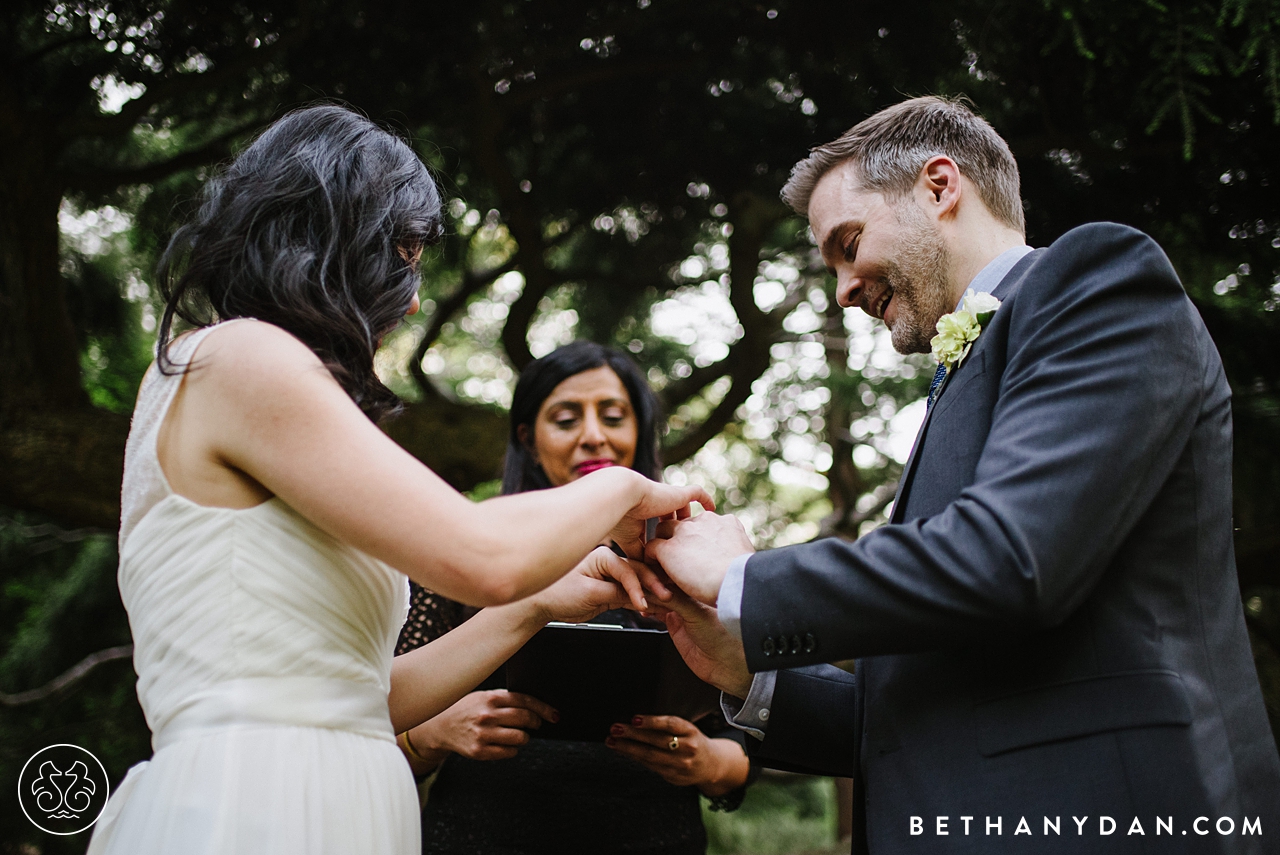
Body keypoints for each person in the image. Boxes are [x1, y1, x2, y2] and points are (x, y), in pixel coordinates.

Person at [645, 96, 1280, 854]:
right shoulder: (958, 382)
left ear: (940, 186)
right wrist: (751, 672)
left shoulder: (1098, 279)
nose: (843, 288)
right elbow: (928, 711)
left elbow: (1012, 559)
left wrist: (745, 578)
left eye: (848, 243)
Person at [86, 105, 710, 855]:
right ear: (332, 237)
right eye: (402, 254)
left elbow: (365, 696)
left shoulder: (258, 380)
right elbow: (481, 554)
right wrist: (625, 488)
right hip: (258, 803)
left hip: (341, 798)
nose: (412, 298)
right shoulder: (236, 357)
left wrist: (538, 605)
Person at [395, 341, 758, 855]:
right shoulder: (464, 554)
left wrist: (704, 761)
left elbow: (747, 744)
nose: (594, 436)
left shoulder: (692, 560)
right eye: (566, 420)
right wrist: (430, 736)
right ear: (529, 438)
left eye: (613, 416)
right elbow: (370, 724)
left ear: (639, 435)